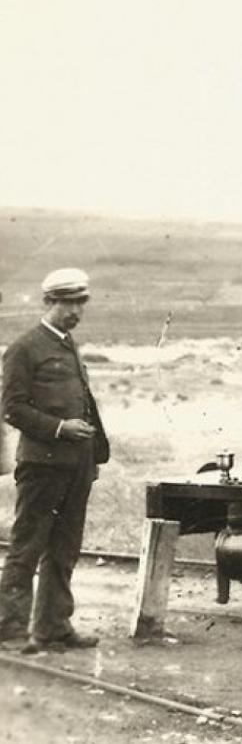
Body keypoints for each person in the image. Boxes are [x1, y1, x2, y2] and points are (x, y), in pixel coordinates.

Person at [0, 268, 108, 653]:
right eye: (69, 303)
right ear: (49, 302)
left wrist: (92, 457)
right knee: (28, 546)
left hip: (76, 465)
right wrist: (61, 428)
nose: (76, 311)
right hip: (43, 465)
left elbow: (83, 403)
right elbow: (12, 409)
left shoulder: (69, 344)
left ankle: (53, 627)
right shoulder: (25, 348)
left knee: (65, 548)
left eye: (81, 303)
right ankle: (10, 631)